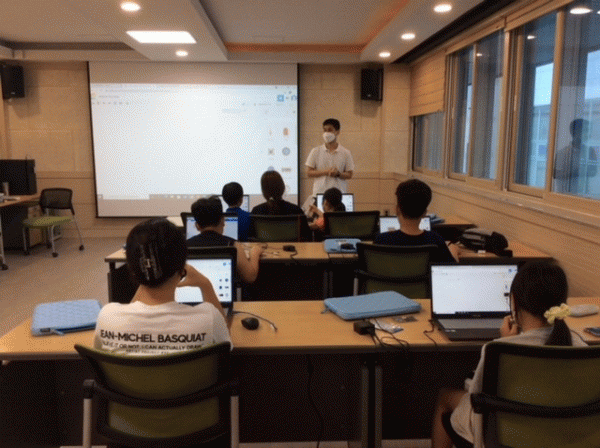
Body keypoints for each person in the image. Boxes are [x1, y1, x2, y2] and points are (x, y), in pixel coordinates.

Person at [431, 261, 587, 448]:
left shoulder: (498, 349)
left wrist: (506, 341)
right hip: (564, 435)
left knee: (445, 396)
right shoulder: (582, 347)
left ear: (514, 301)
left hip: (508, 434)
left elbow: (476, 396)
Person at [94, 218, 230, 355]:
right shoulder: (209, 319)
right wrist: (205, 284)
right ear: (182, 268)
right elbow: (226, 346)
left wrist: (145, 276)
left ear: (131, 267)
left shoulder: (107, 317)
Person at [374, 179, 459, 263]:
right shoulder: (436, 240)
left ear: (397, 210)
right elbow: (451, 268)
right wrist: (454, 252)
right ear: (425, 213)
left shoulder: (382, 240)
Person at [187, 196, 263, 283]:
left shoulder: (184, 246)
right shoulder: (232, 245)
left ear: (197, 226)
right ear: (222, 221)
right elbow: (250, 277)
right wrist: (255, 253)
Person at [305, 118, 355, 195]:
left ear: (337, 132)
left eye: (330, 130)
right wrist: (326, 172)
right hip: (320, 192)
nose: (327, 133)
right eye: (325, 130)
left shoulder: (346, 152)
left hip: (339, 193)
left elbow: (349, 174)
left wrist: (338, 174)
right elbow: (309, 173)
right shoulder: (315, 151)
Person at [554, 118, 598, 195]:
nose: (588, 134)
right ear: (575, 132)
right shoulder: (562, 153)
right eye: (585, 130)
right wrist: (577, 171)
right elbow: (556, 174)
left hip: (583, 195)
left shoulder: (590, 151)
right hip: (564, 196)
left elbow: (594, 172)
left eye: (589, 130)